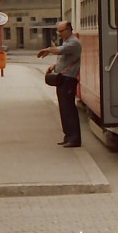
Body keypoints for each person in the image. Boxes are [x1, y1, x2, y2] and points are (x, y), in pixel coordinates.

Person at [37, 20, 82, 148]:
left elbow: (60, 51)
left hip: (69, 79)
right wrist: (54, 66)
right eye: (59, 31)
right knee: (63, 109)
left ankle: (74, 139)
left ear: (69, 30)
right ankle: (68, 136)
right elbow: (65, 59)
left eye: (61, 31)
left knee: (69, 109)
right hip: (63, 78)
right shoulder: (67, 41)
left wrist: (48, 49)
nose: (59, 33)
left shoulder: (74, 42)